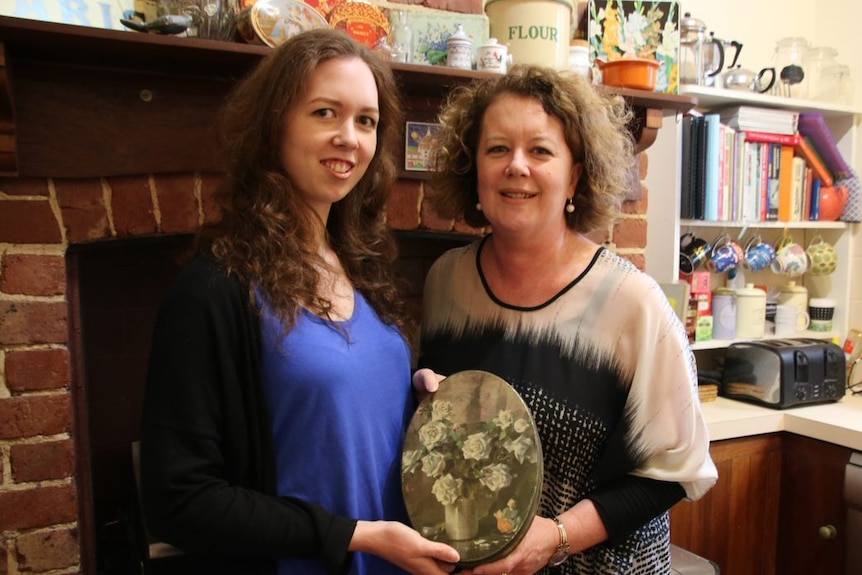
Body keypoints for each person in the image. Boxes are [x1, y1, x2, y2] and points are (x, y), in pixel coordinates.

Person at [139, 28, 460, 575]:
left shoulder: (363, 267)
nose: (350, 138)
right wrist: (354, 537)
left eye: (366, 120)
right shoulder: (214, 290)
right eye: (324, 113)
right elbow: (180, 501)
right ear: (274, 126)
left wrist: (416, 401)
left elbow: (337, 416)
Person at [414, 65, 718, 574]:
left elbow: (673, 472)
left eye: (540, 150)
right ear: (474, 169)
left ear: (574, 174)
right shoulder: (446, 283)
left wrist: (555, 537)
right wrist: (426, 400)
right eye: (497, 149)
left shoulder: (632, 304)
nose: (516, 166)